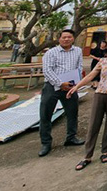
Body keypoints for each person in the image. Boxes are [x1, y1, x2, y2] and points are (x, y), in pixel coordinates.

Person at [67, 39, 107, 170]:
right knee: (94, 123)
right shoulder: (103, 61)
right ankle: (87, 155)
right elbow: (91, 76)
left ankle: (105, 151)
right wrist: (76, 87)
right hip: (100, 93)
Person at [38, 29, 84, 157]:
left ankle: (71, 137)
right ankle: (46, 143)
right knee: (45, 115)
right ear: (59, 39)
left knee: (72, 113)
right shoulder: (51, 53)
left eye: (69, 37)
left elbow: (79, 67)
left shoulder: (78, 51)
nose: (66, 39)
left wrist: (75, 83)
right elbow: (47, 70)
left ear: (73, 39)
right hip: (52, 87)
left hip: (70, 87)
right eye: (64, 37)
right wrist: (60, 84)